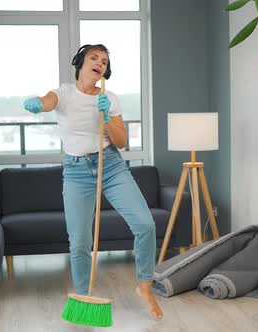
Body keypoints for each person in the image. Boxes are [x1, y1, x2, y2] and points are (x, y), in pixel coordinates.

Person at [23, 44, 163, 320]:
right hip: (76, 172)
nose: (99, 62)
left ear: (106, 70)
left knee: (145, 224)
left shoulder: (110, 98)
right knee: (79, 242)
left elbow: (122, 142)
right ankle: (84, 296)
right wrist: (38, 104)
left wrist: (106, 116)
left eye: (104, 60)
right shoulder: (63, 93)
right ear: (80, 62)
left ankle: (145, 285)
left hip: (110, 166)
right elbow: (48, 100)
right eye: (94, 57)